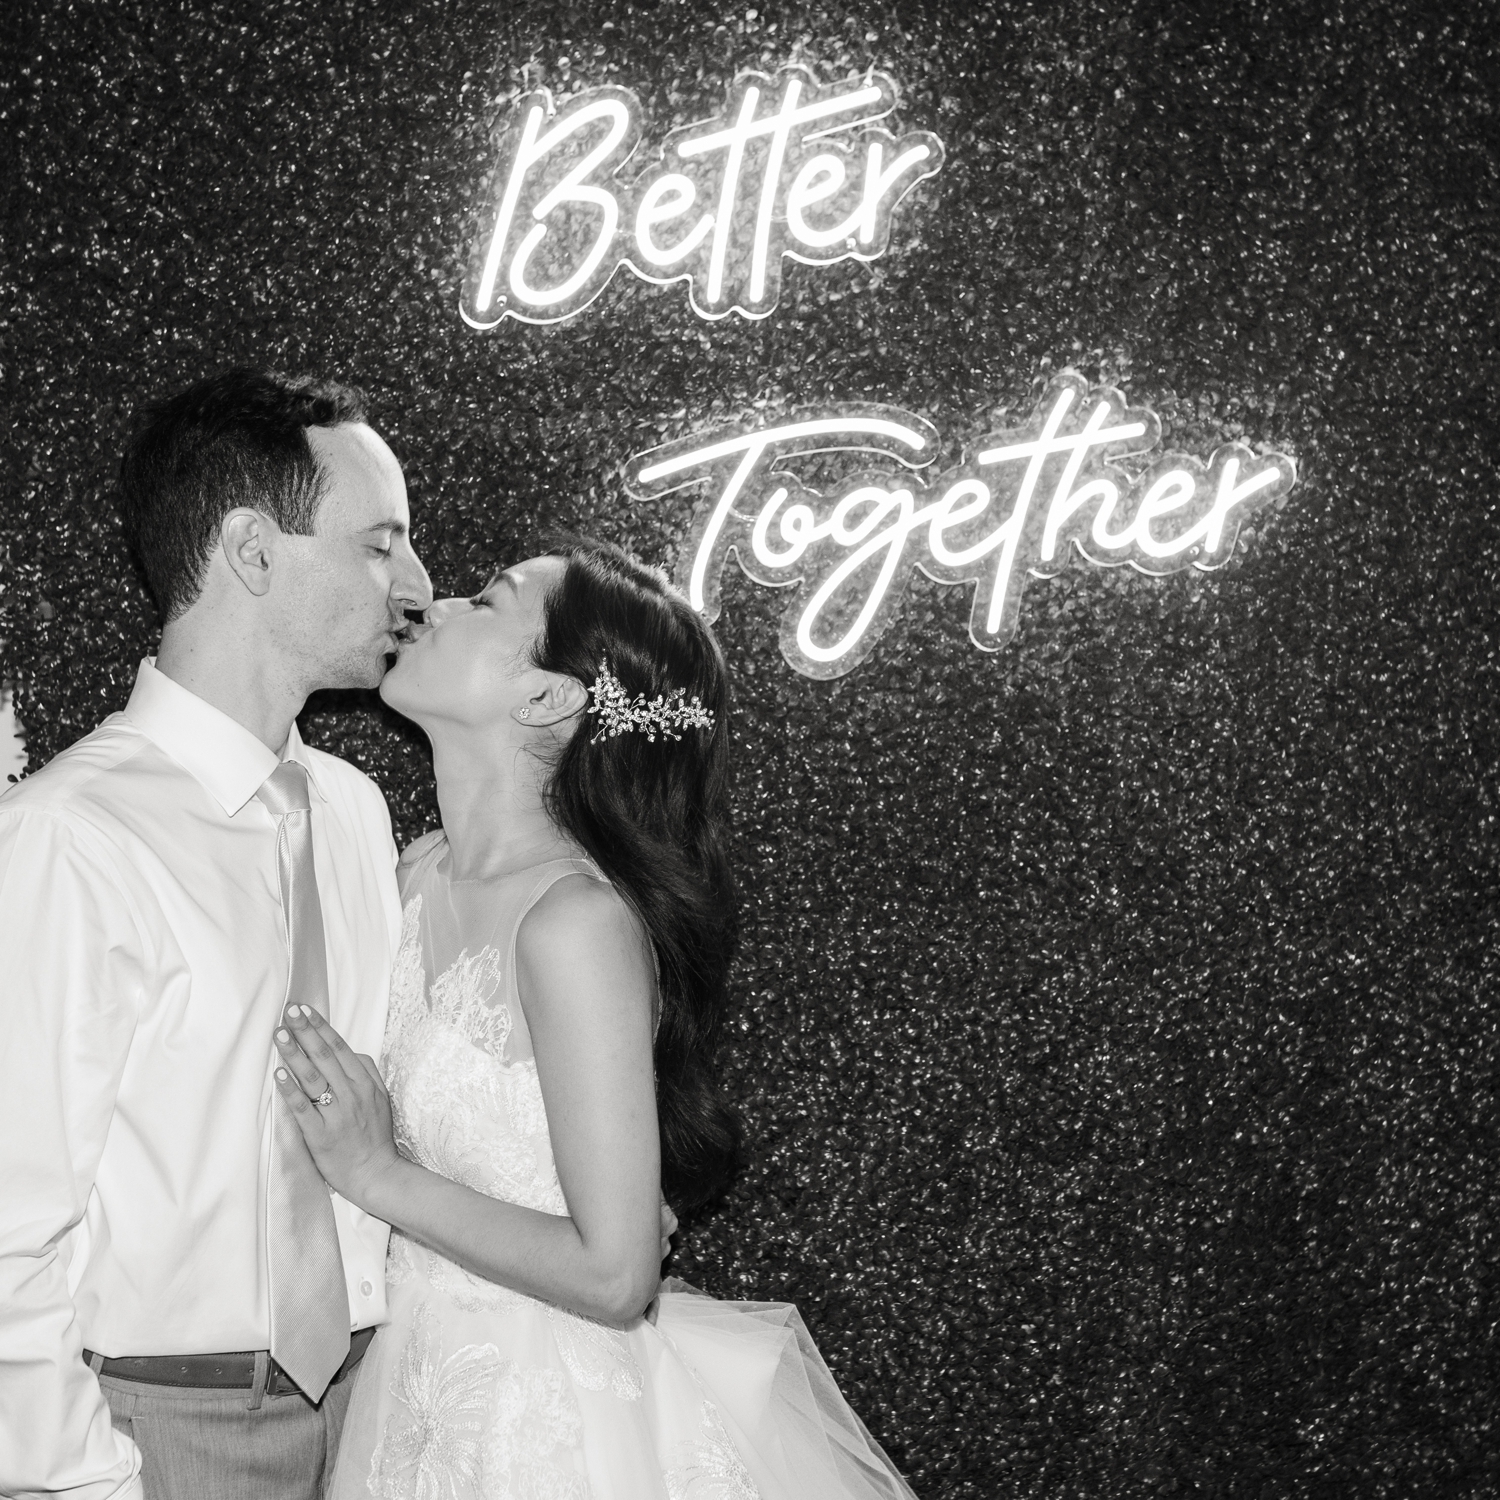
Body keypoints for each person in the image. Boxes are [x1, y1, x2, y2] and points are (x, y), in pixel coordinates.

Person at [270, 537, 917, 1498]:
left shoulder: (574, 922)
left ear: (548, 699)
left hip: (551, 1430)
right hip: (405, 1397)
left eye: (486, 601)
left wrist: (376, 1175)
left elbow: (617, 1276)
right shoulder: (414, 870)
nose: (436, 602)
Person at [0, 368, 433, 1499]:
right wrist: (86, 1483)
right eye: (380, 544)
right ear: (251, 550)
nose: (419, 585)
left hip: (380, 1412)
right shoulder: (65, 837)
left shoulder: (349, 810)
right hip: (158, 1434)